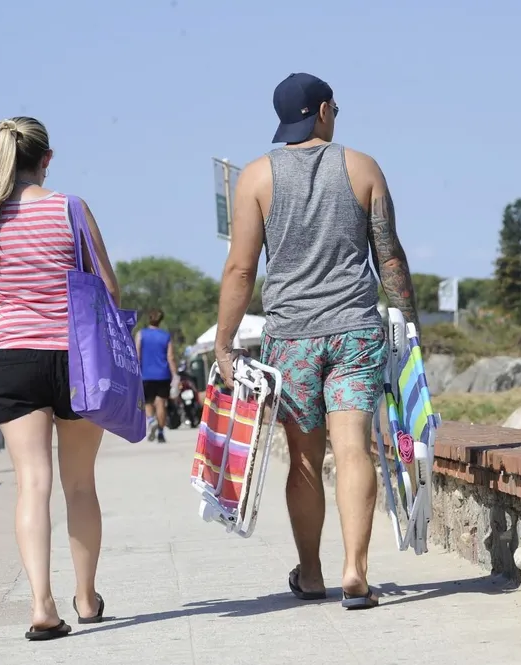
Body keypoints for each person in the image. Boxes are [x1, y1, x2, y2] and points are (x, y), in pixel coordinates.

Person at [214, 73, 418, 610]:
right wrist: (410, 329)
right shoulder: (362, 167)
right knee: (353, 449)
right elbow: (389, 256)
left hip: (291, 339)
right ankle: (356, 570)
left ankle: (310, 573)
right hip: (355, 332)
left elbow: (240, 269)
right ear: (324, 110)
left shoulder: (256, 177)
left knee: (304, 460)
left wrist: (225, 345)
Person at [0, 117, 119, 640]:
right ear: (46, 159)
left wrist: (18, 327)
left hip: (13, 360)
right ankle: (87, 598)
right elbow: (108, 289)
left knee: (32, 484)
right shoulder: (70, 208)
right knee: (80, 484)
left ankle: (41, 605)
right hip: (77, 360)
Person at [135, 308, 178, 442]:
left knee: (148, 402)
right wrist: (175, 374)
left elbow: (137, 355)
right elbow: (170, 357)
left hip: (145, 375)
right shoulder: (165, 336)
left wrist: (134, 373)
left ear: (149, 318)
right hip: (163, 375)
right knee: (161, 403)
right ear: (161, 320)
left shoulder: (141, 334)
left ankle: (151, 420)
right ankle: (160, 433)